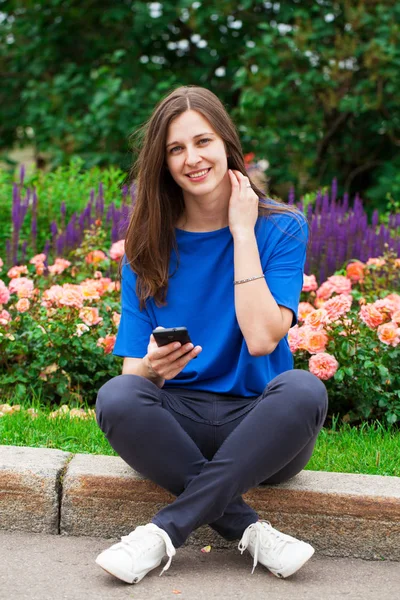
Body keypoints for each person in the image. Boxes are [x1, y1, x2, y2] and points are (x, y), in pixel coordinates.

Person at [95, 85, 328, 585]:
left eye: (202, 142)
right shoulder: (145, 247)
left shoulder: (281, 228)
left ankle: (161, 533)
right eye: (176, 149)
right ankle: (251, 530)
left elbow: (264, 339)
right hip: (179, 427)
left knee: (305, 388)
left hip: (263, 431)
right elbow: (132, 376)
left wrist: (242, 233)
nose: (192, 158)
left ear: (226, 145)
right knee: (118, 396)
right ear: (163, 163)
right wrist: (154, 370)